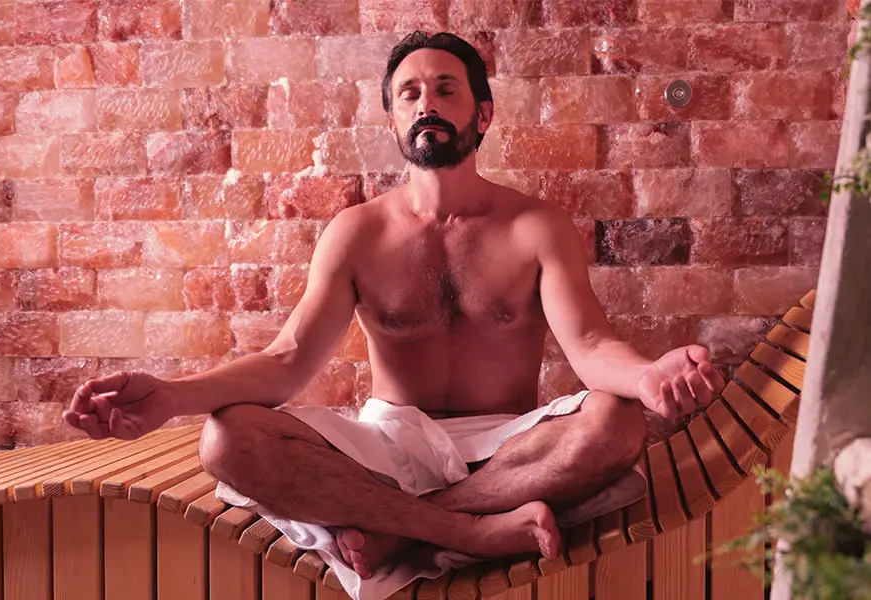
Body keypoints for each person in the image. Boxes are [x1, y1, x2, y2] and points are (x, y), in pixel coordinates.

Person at [64, 31, 724, 593]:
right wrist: (169, 399)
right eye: (410, 94)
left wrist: (646, 377)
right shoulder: (357, 232)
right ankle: (466, 533)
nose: (427, 104)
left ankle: (397, 532)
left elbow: (588, 344)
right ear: (392, 121)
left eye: (445, 89)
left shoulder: (534, 225)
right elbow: (288, 361)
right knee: (227, 438)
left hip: (507, 449)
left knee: (615, 421)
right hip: (384, 447)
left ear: (482, 114)